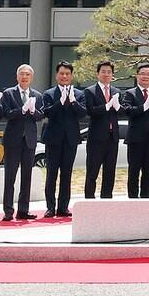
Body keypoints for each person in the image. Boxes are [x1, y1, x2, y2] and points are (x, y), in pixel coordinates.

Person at [0, 63, 44, 221]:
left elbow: (40, 116)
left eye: (28, 75)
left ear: (32, 77)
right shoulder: (9, 93)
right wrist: (21, 110)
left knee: (27, 176)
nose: (25, 77)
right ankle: (8, 211)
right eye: (22, 74)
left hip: (29, 140)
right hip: (13, 140)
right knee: (10, 176)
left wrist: (33, 111)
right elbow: (6, 113)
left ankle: (23, 210)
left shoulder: (37, 95)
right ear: (17, 76)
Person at [41, 61, 85, 217]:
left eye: (67, 74)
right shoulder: (49, 94)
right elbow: (47, 113)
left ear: (71, 76)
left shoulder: (79, 94)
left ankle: (63, 207)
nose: (64, 76)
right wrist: (60, 102)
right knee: (51, 173)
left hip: (71, 139)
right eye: (61, 73)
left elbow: (82, 113)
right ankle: (50, 207)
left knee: (67, 174)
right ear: (56, 75)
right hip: (53, 139)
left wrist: (73, 101)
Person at [83, 61, 122, 198]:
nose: (106, 74)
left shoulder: (116, 92)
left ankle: (106, 199)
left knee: (110, 172)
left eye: (109, 72)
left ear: (112, 75)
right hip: (96, 138)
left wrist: (117, 108)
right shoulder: (90, 91)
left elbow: (121, 113)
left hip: (113, 138)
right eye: (103, 71)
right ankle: (89, 200)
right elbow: (90, 111)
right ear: (97, 73)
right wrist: (106, 106)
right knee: (92, 172)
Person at [122, 64, 149, 199]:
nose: (145, 76)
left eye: (148, 74)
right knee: (133, 171)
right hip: (135, 139)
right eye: (143, 73)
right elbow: (127, 111)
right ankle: (133, 199)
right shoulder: (129, 93)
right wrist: (143, 107)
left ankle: (146, 198)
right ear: (137, 76)